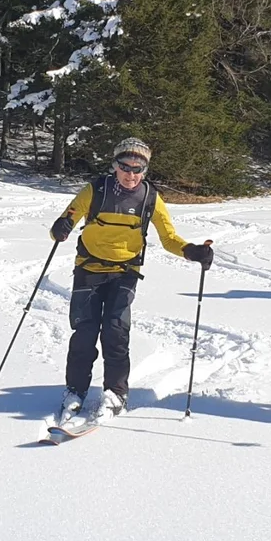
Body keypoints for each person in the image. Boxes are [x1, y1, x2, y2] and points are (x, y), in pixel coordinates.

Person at [48, 137, 212, 423]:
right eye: (126, 167)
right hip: (88, 268)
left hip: (125, 272)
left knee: (115, 331)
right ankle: (75, 392)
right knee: (84, 334)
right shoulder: (95, 190)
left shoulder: (150, 197)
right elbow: (66, 221)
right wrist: (60, 228)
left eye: (138, 169)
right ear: (116, 165)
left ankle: (115, 393)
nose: (131, 174)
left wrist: (192, 251)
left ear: (145, 170)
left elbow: (169, 238)